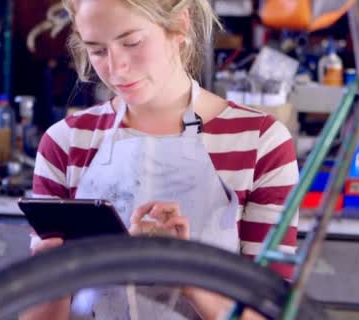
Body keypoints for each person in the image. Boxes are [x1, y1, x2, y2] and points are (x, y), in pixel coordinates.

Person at [22, 0, 299, 319]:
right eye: (97, 50)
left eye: (132, 42)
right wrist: (51, 274)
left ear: (179, 25)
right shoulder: (66, 142)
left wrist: (184, 272)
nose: (116, 68)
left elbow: (274, 313)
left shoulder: (260, 141)